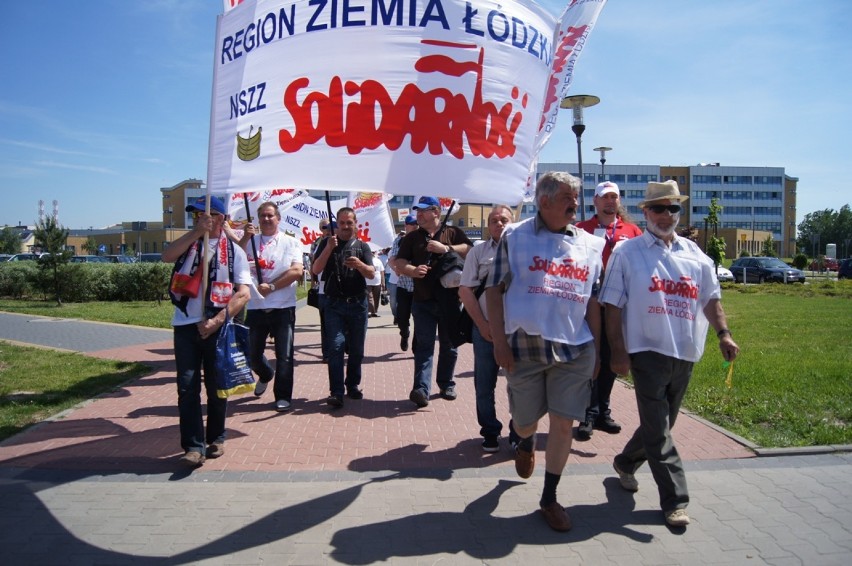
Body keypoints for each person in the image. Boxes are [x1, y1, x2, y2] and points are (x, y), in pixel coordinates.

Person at [600, 180, 740, 528]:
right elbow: (612, 306)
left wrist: (724, 334)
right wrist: (618, 352)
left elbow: (711, 299)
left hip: (686, 353)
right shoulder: (627, 253)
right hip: (647, 352)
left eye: (673, 208)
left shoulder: (695, 254)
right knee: (660, 430)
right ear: (645, 212)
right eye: (659, 208)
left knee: (662, 425)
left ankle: (626, 462)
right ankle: (675, 501)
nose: (666, 215)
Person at [485, 172, 604, 532]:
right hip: (525, 348)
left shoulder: (589, 245)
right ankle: (522, 441)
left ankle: (549, 497)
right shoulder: (515, 237)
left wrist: (597, 348)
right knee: (526, 421)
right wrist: (500, 342)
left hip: (575, 349)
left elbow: (594, 301)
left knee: (563, 422)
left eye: (577, 197)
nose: (576, 204)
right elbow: (494, 290)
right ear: (545, 201)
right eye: (568, 197)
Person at [164, 195, 252, 468]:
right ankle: (192, 446)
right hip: (185, 326)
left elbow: (244, 294)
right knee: (187, 387)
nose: (202, 218)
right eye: (197, 214)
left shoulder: (234, 252)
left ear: (221, 217)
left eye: (207, 213)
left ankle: (216, 437)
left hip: (216, 326)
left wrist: (217, 321)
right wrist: (195, 233)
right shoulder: (190, 243)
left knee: (216, 386)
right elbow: (167, 256)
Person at [574, 181, 643, 440]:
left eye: (614, 197)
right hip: (589, 306)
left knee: (612, 358)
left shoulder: (632, 230)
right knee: (591, 359)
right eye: (605, 198)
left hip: (618, 307)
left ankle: (603, 410)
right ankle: (586, 414)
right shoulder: (582, 229)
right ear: (595, 201)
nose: (610, 202)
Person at [396, 196, 473, 408]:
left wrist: (446, 248)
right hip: (423, 301)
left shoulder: (453, 232)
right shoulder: (412, 238)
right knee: (424, 346)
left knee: (449, 345)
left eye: (423, 211)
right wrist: (413, 270)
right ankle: (421, 389)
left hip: (450, 300)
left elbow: (470, 250)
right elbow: (399, 261)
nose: (418, 215)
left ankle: (446, 383)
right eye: (417, 211)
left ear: (436, 212)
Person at [238, 202, 304, 412]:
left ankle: (283, 396)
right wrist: (245, 237)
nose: (266, 220)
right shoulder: (250, 241)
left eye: (270, 216)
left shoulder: (291, 243)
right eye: (262, 216)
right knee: (251, 355)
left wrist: (273, 286)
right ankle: (266, 374)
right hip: (256, 307)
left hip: (283, 307)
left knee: (284, 355)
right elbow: (233, 262)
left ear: (278, 218)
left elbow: (296, 271)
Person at [458, 204, 514, 452]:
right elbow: (465, 290)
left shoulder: (525, 251)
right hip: (486, 330)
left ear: (514, 222)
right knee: (484, 384)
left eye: (504, 219)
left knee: (520, 385)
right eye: (494, 220)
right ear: (487, 225)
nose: (499, 224)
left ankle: (519, 431)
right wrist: (482, 325)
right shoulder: (477, 252)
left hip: (517, 331)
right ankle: (490, 430)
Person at [311, 207, 375, 407]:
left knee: (356, 349)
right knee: (336, 347)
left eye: (350, 223)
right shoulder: (327, 243)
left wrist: (359, 266)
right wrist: (329, 248)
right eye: (342, 223)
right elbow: (315, 269)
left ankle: (353, 385)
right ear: (336, 224)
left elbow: (372, 274)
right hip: (334, 304)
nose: (346, 226)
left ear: (355, 224)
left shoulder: (362, 246)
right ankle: (336, 391)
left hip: (357, 304)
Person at [388, 214, 418, 351]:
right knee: (402, 317)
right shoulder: (399, 240)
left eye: (417, 223)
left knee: (420, 318)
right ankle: (404, 334)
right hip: (404, 285)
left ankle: (416, 344)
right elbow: (392, 259)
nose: (416, 226)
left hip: (419, 287)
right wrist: (397, 269)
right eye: (413, 224)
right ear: (406, 225)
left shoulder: (424, 239)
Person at [311, 219, 332, 362]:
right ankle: (327, 353)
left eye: (329, 227)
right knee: (325, 323)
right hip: (323, 288)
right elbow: (314, 263)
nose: (326, 230)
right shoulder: (318, 243)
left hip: (340, 290)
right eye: (324, 227)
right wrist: (313, 282)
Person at [366, 252, 385, 318]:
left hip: (377, 282)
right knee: (369, 297)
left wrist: (383, 282)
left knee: (376, 297)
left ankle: (374, 311)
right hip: (367, 282)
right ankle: (371, 311)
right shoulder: (365, 260)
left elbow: (382, 271)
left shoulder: (378, 260)